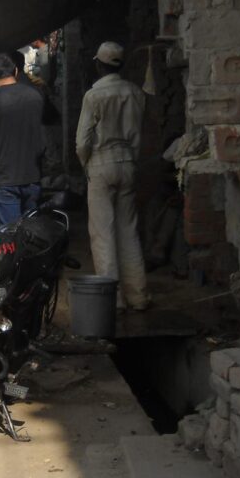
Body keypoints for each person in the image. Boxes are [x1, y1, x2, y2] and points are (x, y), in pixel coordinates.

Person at [76, 41, 150, 311]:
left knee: (103, 234)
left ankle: (114, 300)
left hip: (100, 164)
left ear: (99, 64)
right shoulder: (134, 92)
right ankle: (138, 295)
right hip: (128, 162)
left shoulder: (94, 96)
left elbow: (83, 141)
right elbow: (140, 135)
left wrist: (85, 164)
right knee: (128, 231)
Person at [0, 53, 46, 228]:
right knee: (30, 232)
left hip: (3, 177)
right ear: (16, 70)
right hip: (32, 174)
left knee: (9, 235)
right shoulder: (35, 95)